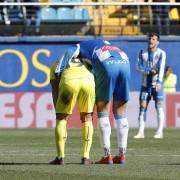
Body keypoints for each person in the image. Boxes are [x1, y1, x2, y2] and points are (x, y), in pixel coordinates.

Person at [56, 40, 130, 164]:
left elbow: (70, 51)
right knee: (120, 112)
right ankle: (122, 155)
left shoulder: (81, 46)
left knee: (103, 110)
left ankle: (107, 155)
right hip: (125, 63)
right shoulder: (108, 44)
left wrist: (59, 70)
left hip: (107, 65)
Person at [49, 47, 95, 165]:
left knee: (61, 119)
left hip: (69, 82)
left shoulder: (56, 64)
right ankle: (85, 157)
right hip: (88, 82)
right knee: (87, 117)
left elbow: (55, 90)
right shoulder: (85, 62)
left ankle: (60, 157)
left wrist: (58, 110)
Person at [134, 32, 166, 139]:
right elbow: (137, 67)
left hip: (157, 85)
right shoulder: (142, 52)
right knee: (142, 108)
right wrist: (148, 71)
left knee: (159, 107)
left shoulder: (161, 53)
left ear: (157, 42)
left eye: (153, 39)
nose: (150, 41)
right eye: (149, 38)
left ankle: (159, 131)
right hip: (145, 85)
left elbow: (161, 68)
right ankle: (140, 132)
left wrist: (159, 82)